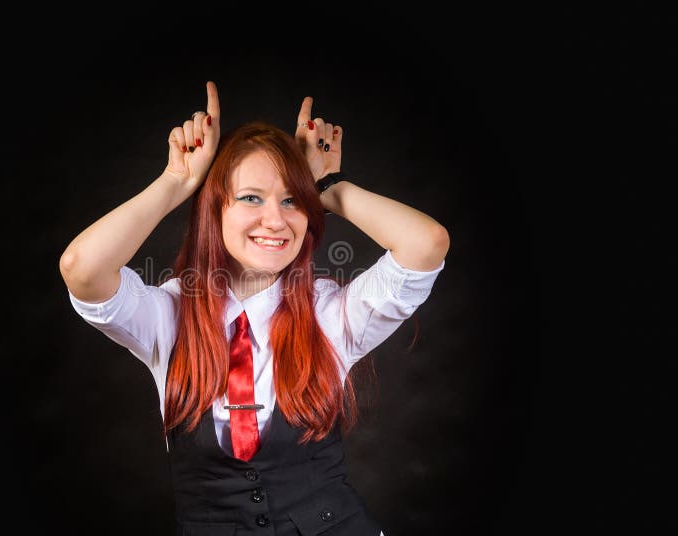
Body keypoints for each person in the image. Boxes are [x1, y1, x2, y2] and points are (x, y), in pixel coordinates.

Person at [59, 80, 449, 535]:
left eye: (291, 201)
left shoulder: (330, 313)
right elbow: (82, 268)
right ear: (215, 208)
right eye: (251, 198)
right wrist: (177, 182)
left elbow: (427, 244)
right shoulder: (168, 314)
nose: (276, 220)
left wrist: (325, 185)